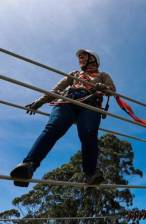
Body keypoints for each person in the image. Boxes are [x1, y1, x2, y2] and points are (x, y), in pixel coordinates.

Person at [10, 49, 116, 187]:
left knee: (89, 134)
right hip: (67, 100)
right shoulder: (74, 74)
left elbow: (112, 90)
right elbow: (56, 89)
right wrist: (40, 101)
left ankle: (91, 174)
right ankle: (28, 165)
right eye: (80, 58)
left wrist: (104, 87)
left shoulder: (103, 75)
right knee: (53, 127)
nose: (80, 60)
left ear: (93, 59)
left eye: (83, 57)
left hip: (91, 102)